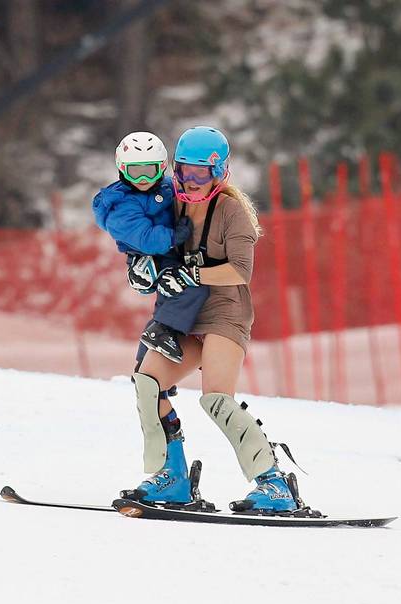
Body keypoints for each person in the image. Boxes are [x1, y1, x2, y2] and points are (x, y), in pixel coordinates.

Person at [122, 126, 311, 514]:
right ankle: (170, 477)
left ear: (220, 171)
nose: (190, 181)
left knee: (216, 399)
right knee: (147, 383)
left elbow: (240, 271)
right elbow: (147, 240)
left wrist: (190, 273)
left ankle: (273, 483)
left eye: (200, 173)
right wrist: (144, 270)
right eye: (183, 171)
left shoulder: (231, 211)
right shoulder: (169, 202)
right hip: (183, 313)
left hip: (225, 312)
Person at [92, 132, 210, 363]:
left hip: (169, 252)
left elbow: (183, 194)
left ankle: (146, 369)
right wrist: (175, 235)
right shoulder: (121, 203)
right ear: (122, 169)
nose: (143, 178)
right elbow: (143, 237)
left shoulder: (165, 187)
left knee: (169, 302)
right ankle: (163, 331)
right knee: (190, 288)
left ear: (162, 168)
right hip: (149, 258)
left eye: (150, 170)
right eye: (135, 171)